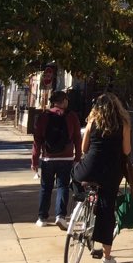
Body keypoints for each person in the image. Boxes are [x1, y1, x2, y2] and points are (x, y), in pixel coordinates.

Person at [71, 92, 132, 263]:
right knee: (107, 210)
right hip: (111, 171)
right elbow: (126, 151)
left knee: (73, 175)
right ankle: (106, 257)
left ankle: (80, 196)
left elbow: (83, 148)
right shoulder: (124, 124)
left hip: (89, 167)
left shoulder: (92, 122)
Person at [31, 90, 82, 229]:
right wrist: (78, 157)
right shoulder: (72, 116)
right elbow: (78, 138)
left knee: (45, 188)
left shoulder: (44, 117)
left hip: (48, 158)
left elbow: (37, 140)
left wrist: (34, 160)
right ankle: (60, 216)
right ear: (64, 101)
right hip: (66, 158)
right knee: (63, 186)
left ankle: (42, 217)